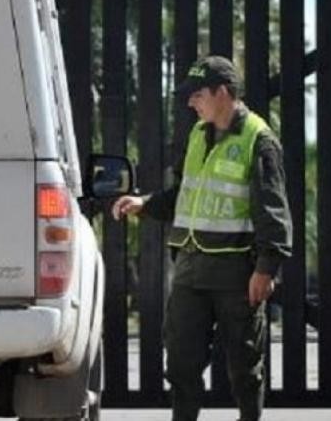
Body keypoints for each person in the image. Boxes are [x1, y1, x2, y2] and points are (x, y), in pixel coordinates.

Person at [111, 55, 292, 421]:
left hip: (236, 273)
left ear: (222, 92)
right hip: (190, 270)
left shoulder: (258, 140)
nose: (192, 103)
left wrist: (266, 269)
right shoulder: (197, 135)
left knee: (245, 366)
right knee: (181, 363)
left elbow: (273, 212)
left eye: (198, 95)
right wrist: (145, 203)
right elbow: (185, 194)